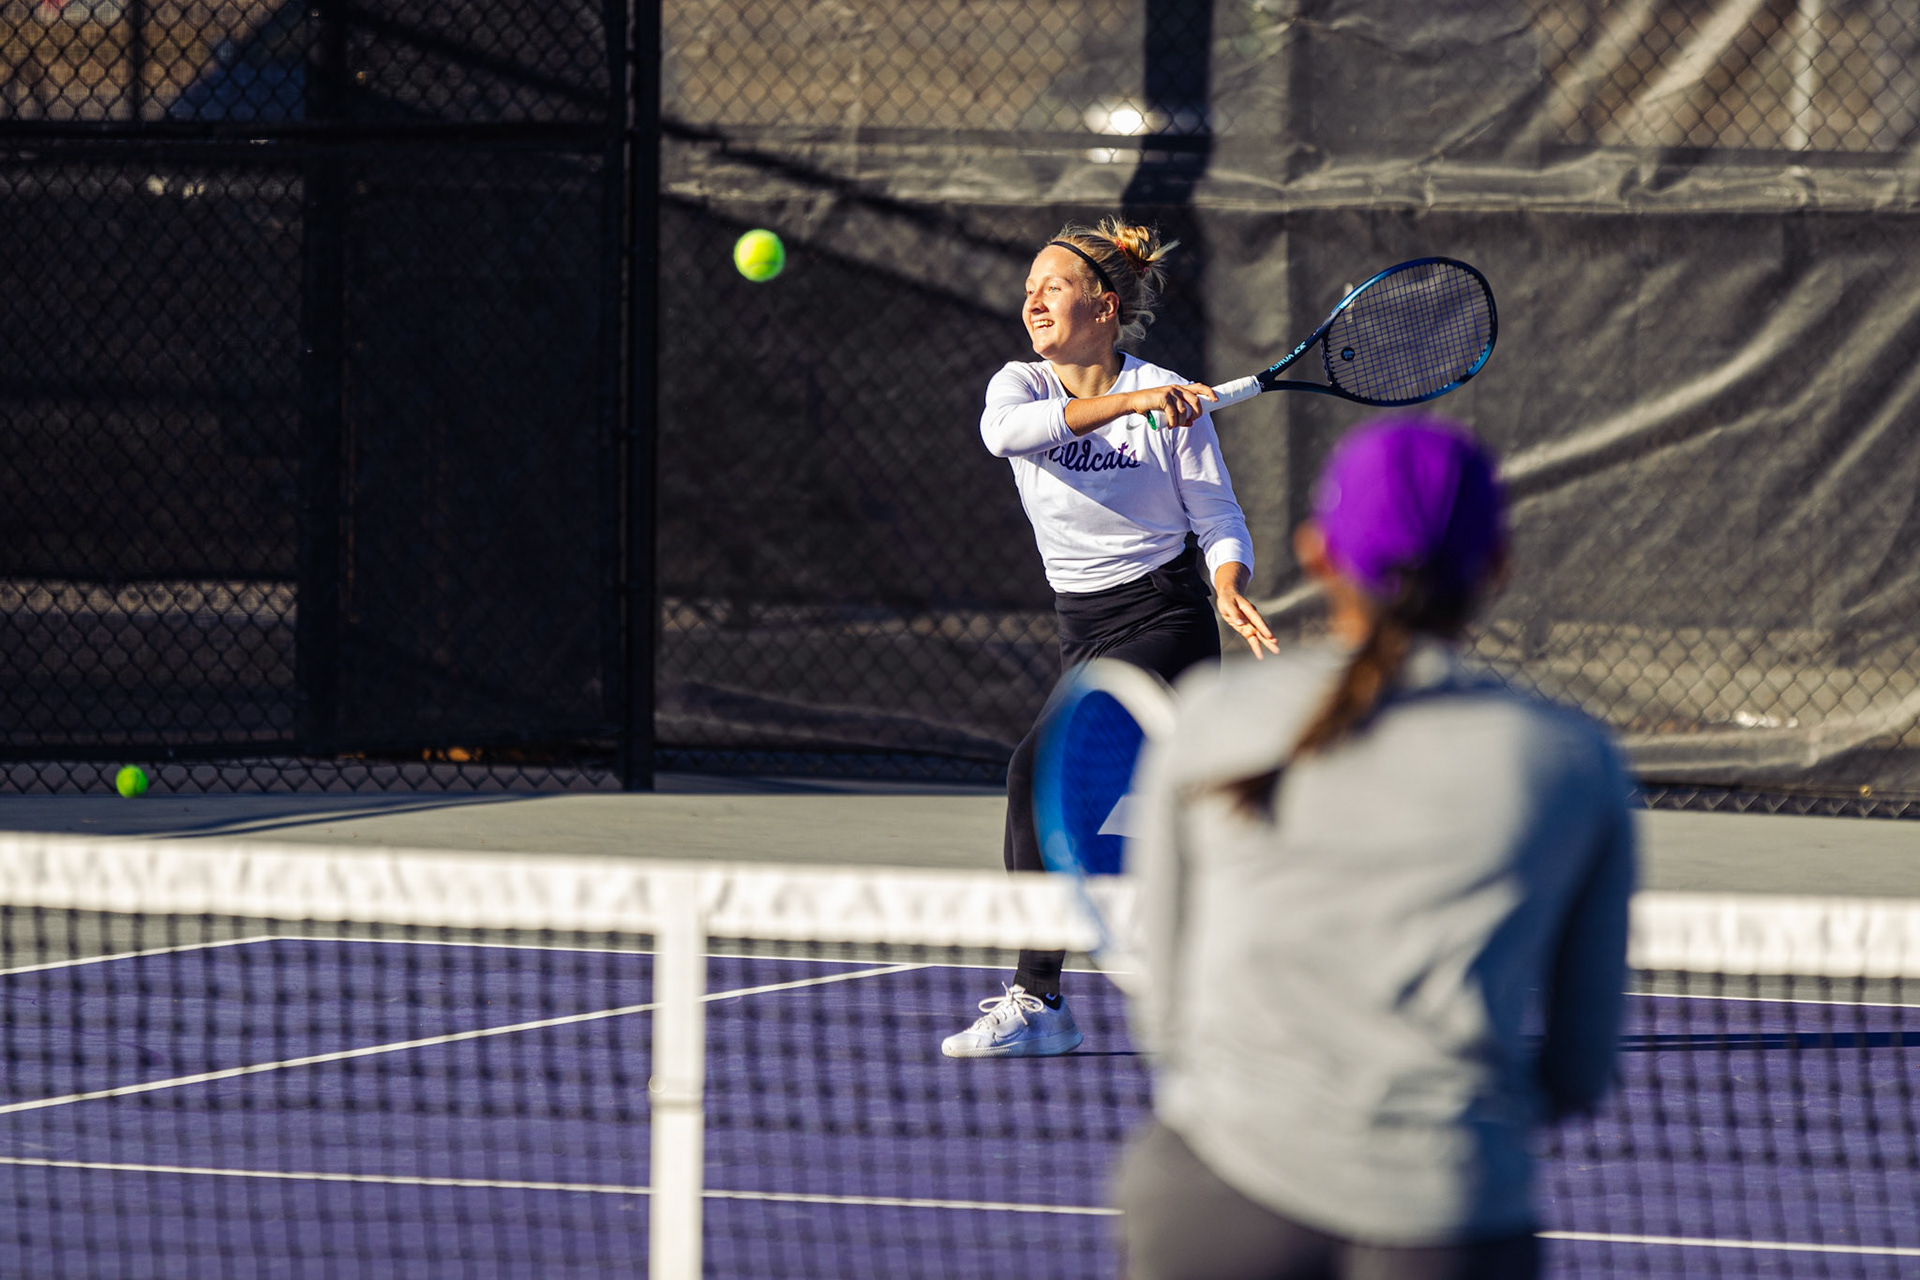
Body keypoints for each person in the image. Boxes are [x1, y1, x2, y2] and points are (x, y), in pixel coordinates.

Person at [1116, 418, 1636, 1279]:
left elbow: (1167, 1017)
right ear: (1497, 569)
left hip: (1210, 1206)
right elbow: (1579, 1071)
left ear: (1318, 555)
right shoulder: (1572, 761)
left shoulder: (1211, 717)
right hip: (1451, 1214)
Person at [940, 218, 1277, 1059]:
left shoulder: (1170, 395)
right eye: (1027, 289)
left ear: (1104, 304)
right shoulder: (1017, 386)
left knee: (1037, 774)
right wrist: (1128, 404)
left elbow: (1217, 515)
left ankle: (1040, 997)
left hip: (1165, 620)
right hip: (1080, 629)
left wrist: (1229, 579)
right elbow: (1005, 438)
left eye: (1050, 285)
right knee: (1163, 813)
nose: (1032, 300)